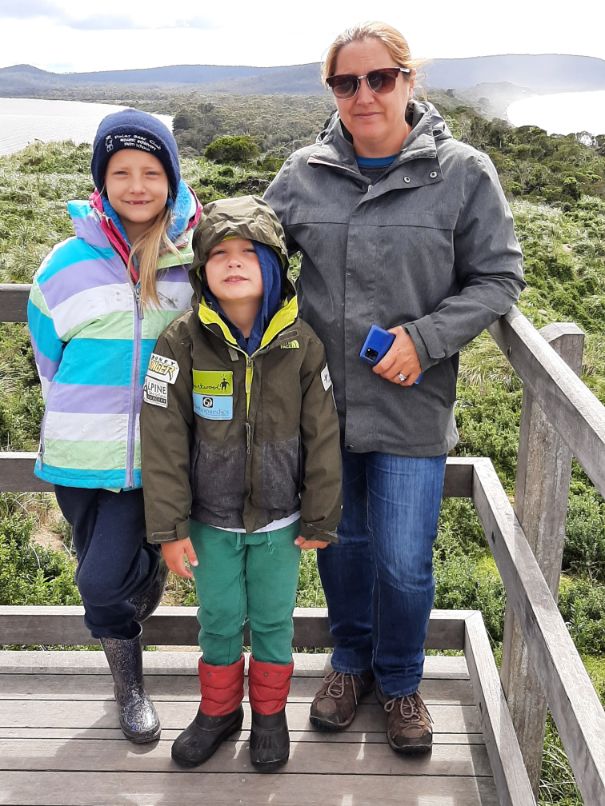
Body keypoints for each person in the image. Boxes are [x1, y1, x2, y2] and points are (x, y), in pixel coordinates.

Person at [265, 21, 525, 755]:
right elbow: (249, 249)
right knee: (341, 548)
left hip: (411, 404)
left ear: (411, 81)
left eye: (381, 77)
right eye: (347, 82)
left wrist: (426, 337)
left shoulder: (462, 172)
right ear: (332, 91)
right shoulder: (303, 170)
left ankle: (401, 681)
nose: (364, 94)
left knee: (404, 559)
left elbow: (499, 277)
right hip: (320, 406)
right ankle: (349, 666)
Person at [140, 195, 342, 771]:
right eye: (219, 253)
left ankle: (270, 717)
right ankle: (219, 711)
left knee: (276, 621)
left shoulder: (302, 345)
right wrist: (170, 528)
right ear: (201, 269)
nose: (232, 263)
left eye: (247, 254)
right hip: (208, 523)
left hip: (281, 524)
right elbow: (163, 442)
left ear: (274, 267)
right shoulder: (180, 342)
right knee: (220, 619)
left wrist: (321, 515)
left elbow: (323, 436)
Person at [27, 108, 202, 743]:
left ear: (172, 180)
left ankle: (130, 689)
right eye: (120, 171)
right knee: (101, 569)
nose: (136, 185)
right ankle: (137, 602)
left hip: (152, 456)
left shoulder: (191, 261)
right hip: (77, 453)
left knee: (100, 583)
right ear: (102, 180)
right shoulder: (65, 261)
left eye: (150, 171)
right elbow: (48, 353)